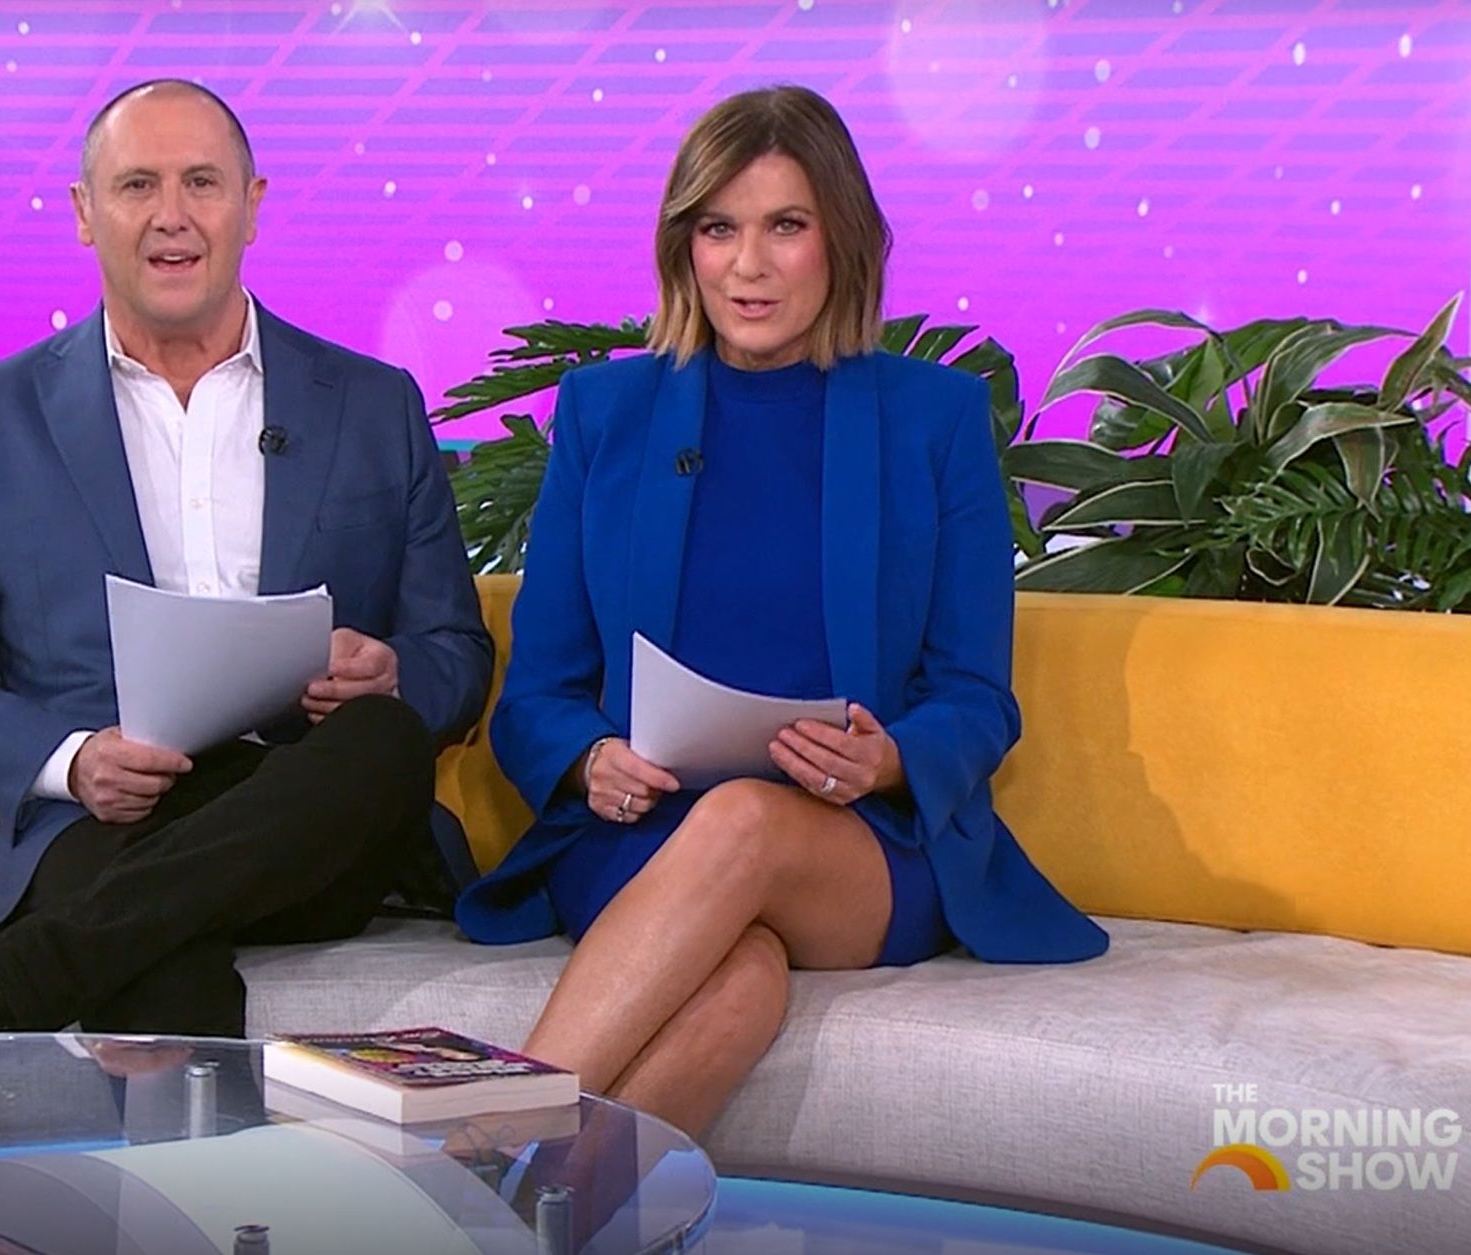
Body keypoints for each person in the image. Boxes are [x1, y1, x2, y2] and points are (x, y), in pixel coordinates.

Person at [454, 85, 1108, 1136]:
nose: (747, 266)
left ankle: (472, 1142)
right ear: (684, 247)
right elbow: (537, 694)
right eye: (719, 229)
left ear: (839, 238)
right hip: (641, 835)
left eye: (784, 226)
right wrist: (588, 759)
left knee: (745, 819)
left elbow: (976, 696)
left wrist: (886, 759)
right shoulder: (607, 414)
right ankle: (536, 1206)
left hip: (857, 844)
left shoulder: (932, 419)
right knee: (741, 982)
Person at [0, 79, 492, 1039]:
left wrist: (394, 672)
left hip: (311, 813)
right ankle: (187, 1118)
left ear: (252, 206)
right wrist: (72, 763)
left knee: (386, 737)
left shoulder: (373, 404)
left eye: (202, 182)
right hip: (103, 821)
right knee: (161, 953)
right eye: (137, 185)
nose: (172, 216)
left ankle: (22, 977)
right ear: (85, 213)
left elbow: (456, 650)